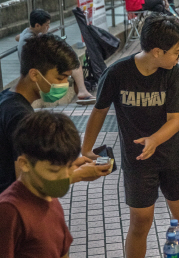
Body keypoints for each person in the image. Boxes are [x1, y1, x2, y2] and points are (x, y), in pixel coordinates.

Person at [82, 14, 179, 258]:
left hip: (171, 157)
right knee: (141, 221)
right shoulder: (117, 73)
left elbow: (175, 120)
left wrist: (154, 139)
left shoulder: (173, 73)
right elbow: (99, 112)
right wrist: (86, 150)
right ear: (157, 51)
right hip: (137, 161)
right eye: (176, 52)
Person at [0, 111, 131, 258]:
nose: (63, 177)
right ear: (24, 164)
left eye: (68, 167)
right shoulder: (9, 211)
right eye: (53, 171)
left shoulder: (52, 201)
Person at [0, 34, 112, 195]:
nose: (64, 84)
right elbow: (26, 186)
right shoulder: (20, 116)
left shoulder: (6, 98)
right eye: (60, 78)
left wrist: (67, 167)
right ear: (35, 75)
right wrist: (77, 175)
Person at [16, 9, 95, 105]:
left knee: (71, 60)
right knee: (73, 63)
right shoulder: (33, 40)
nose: (48, 27)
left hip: (33, 64)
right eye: (46, 25)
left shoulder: (26, 32)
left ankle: (81, 91)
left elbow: (17, 37)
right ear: (37, 25)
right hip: (36, 67)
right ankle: (82, 91)